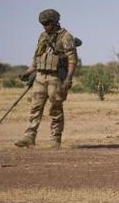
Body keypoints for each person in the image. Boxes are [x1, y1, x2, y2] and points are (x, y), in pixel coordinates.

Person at [15, 9, 78, 149]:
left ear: (55, 22)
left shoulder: (66, 37)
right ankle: (29, 137)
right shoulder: (42, 36)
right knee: (35, 107)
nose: (45, 26)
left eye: (47, 23)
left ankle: (55, 138)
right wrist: (28, 72)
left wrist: (68, 79)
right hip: (40, 76)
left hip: (55, 77)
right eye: (43, 24)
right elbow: (37, 58)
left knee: (55, 108)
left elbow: (72, 60)